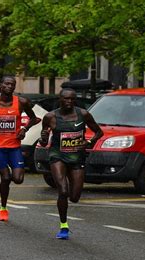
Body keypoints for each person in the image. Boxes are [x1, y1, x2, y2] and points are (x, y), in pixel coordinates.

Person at [39, 88, 103, 239]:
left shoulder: (83, 114)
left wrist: (88, 142)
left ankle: (68, 201)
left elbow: (99, 132)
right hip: (58, 156)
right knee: (63, 191)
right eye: (66, 99)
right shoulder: (50, 117)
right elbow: (43, 142)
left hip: (76, 158)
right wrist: (43, 137)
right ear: (60, 99)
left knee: (74, 197)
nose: (69, 102)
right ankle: (64, 226)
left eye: (72, 99)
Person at [0, 76, 38, 222]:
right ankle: (3, 209)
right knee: (5, 177)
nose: (9, 86)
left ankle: (12, 174)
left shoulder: (21, 102)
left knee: (18, 179)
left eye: (12, 84)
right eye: (6, 84)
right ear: (0, 85)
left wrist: (25, 129)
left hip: (14, 146)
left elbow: (34, 118)